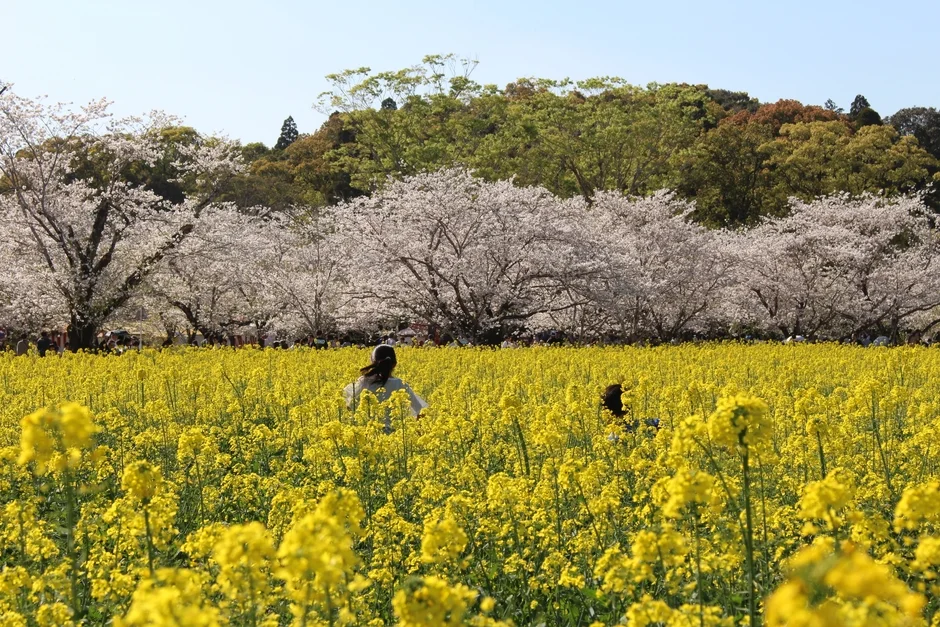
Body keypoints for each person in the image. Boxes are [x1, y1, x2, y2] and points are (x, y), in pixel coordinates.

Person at [344, 345, 427, 433]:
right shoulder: (400, 384)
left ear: (373, 362)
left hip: (370, 433)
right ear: (395, 364)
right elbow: (421, 411)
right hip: (395, 435)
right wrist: (417, 432)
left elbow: (348, 404)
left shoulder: (365, 381)